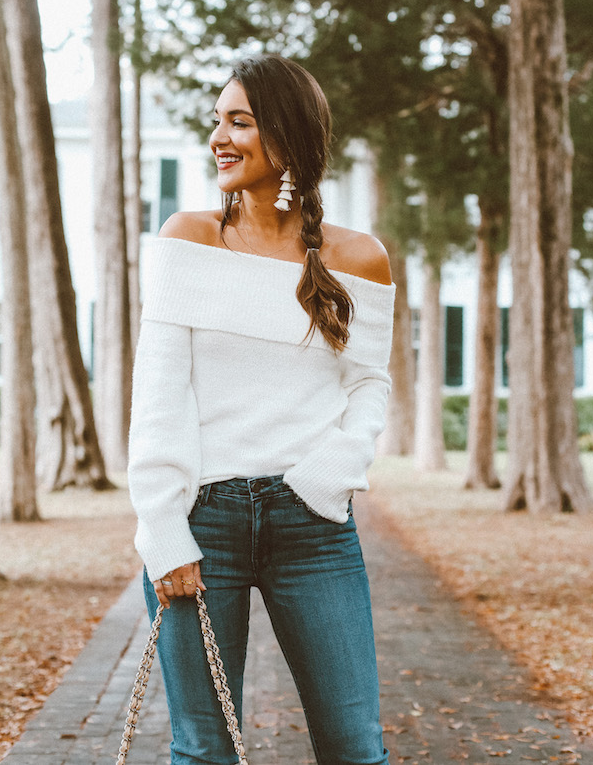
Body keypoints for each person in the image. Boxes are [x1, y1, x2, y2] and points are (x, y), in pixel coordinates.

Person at [128, 54, 395, 765]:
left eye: (239, 122)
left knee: (355, 747)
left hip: (312, 527)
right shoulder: (186, 240)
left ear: (289, 136)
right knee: (205, 750)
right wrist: (162, 530)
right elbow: (157, 393)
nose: (219, 137)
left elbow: (371, 382)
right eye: (216, 121)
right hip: (200, 522)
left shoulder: (358, 258)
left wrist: (330, 473)